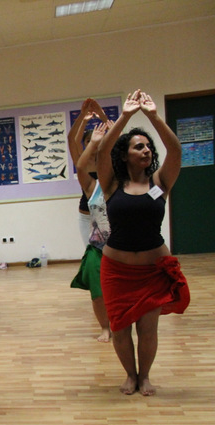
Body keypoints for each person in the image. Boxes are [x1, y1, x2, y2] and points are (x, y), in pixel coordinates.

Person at [96, 90, 189, 396]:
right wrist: (124, 117)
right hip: (116, 271)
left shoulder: (160, 182)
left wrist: (152, 117)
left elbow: (175, 151)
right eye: (139, 146)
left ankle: (145, 376)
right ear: (125, 155)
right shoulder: (111, 184)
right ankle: (130, 375)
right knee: (120, 327)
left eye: (148, 146)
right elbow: (100, 156)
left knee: (148, 328)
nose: (146, 150)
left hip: (152, 271)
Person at [70, 122, 113, 342]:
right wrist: (93, 141)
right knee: (98, 289)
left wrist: (112, 135)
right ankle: (105, 327)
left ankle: (118, 322)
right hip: (98, 244)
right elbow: (79, 165)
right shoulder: (90, 183)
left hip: (121, 246)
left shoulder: (120, 182)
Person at [68, 98, 109, 245]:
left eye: (96, 139)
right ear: (84, 144)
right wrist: (83, 117)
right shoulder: (81, 161)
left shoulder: (109, 159)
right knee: (91, 252)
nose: (93, 142)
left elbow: (118, 136)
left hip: (107, 213)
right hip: (86, 214)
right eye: (88, 141)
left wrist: (102, 115)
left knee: (109, 253)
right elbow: (72, 139)